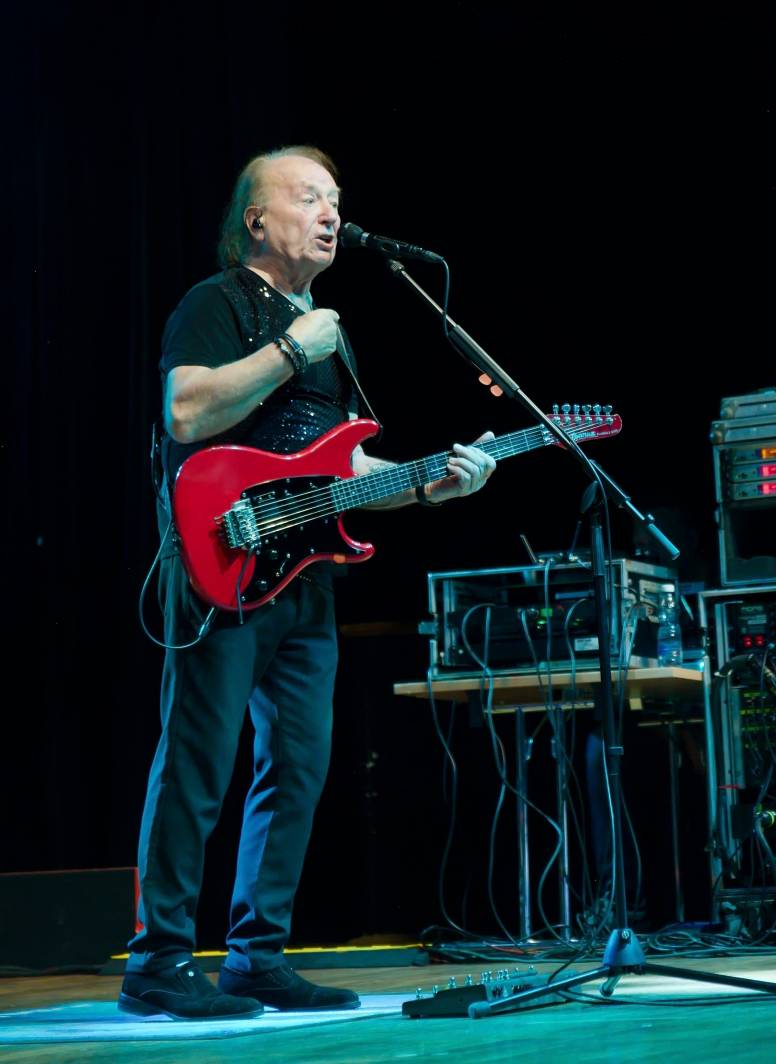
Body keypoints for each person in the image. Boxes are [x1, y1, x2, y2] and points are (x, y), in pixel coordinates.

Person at [120, 146, 498, 1020]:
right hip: (224, 560)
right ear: (257, 220)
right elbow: (185, 410)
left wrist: (429, 480)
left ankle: (257, 956)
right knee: (199, 763)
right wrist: (294, 345)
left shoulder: (333, 333)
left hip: (305, 576)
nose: (331, 213)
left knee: (298, 766)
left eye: (336, 200)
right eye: (309, 198)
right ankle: (158, 962)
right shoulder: (215, 305)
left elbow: (342, 464)